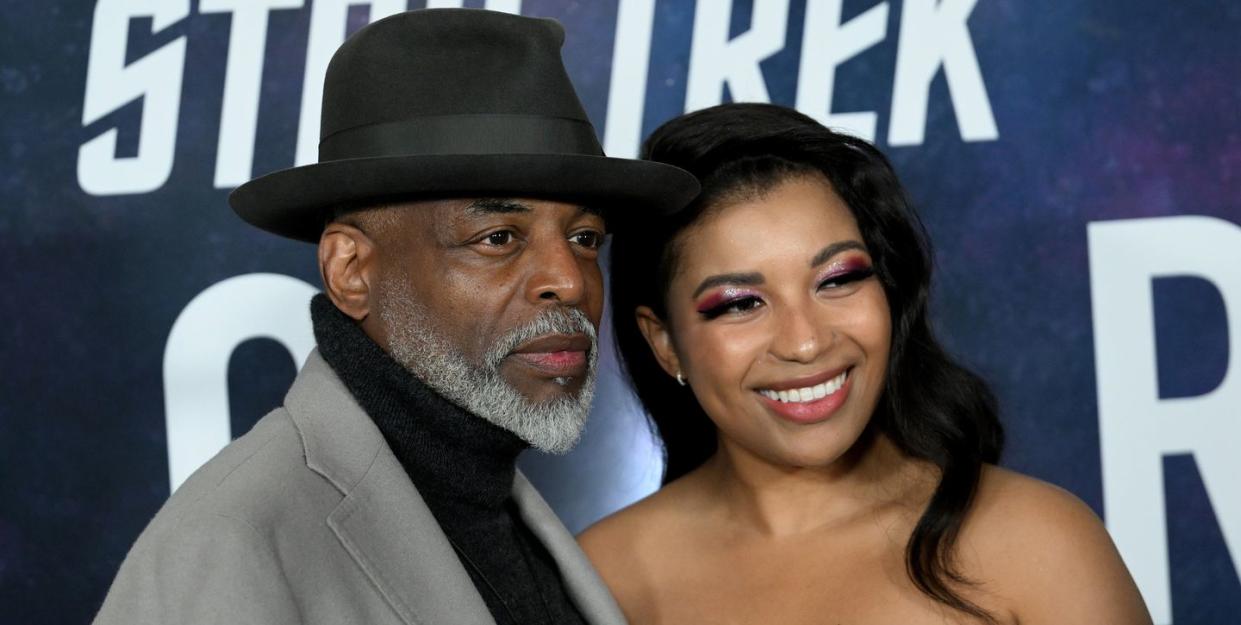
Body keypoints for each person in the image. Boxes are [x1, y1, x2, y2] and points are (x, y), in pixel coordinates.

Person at [92, 9, 697, 625]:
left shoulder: (494, 501)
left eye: (587, 237)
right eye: (497, 237)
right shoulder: (228, 542)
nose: (569, 280)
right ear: (351, 271)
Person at [579, 103, 1151, 625]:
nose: (804, 343)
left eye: (839, 279)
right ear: (665, 343)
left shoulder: (1036, 542)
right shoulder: (600, 580)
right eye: (740, 304)